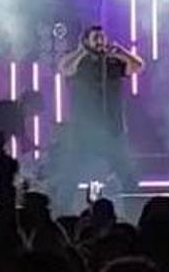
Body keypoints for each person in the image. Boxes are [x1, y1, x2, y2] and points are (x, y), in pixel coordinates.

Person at [53, 25, 145, 212]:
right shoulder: (79, 62)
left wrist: (122, 52)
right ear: (86, 41)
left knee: (127, 176)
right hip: (84, 130)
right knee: (71, 175)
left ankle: (135, 213)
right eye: (96, 38)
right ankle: (61, 214)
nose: (100, 41)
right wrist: (81, 51)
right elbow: (64, 68)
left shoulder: (112, 62)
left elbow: (138, 66)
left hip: (113, 129)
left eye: (102, 37)